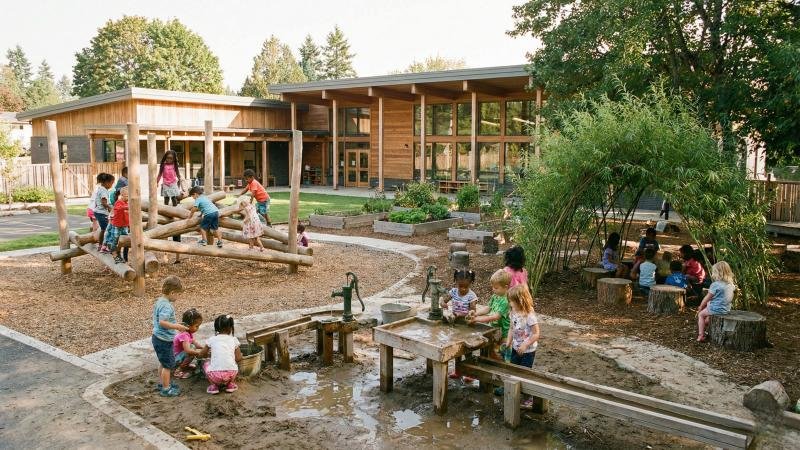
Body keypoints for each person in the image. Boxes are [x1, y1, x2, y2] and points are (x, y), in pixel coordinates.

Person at [151, 276, 188, 397]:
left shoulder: (160, 301)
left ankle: (162, 383)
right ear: (172, 292)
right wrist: (176, 327)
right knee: (168, 366)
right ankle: (166, 389)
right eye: (177, 294)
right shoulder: (167, 306)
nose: (178, 297)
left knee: (163, 362)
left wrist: (176, 324)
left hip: (157, 337)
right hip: (164, 340)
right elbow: (163, 322)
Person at [505, 284, 540, 409]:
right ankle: (516, 393)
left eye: (511, 301)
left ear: (520, 301)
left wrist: (525, 344)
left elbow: (536, 334)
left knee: (525, 373)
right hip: (515, 347)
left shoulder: (529, 315)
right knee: (514, 370)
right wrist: (508, 342)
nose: (510, 303)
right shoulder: (513, 312)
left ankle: (528, 398)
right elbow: (511, 328)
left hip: (528, 350)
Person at [441, 269, 477, 380]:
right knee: (457, 350)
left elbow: (472, 311)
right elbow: (444, 299)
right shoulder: (453, 292)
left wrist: (460, 314)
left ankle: (470, 373)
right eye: (460, 286)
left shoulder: (472, 296)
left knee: (467, 350)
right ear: (456, 282)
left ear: (471, 284)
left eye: (465, 287)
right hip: (455, 324)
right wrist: (442, 303)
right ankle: (458, 371)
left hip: (467, 325)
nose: (463, 289)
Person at [467, 269, 511, 355]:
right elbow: (487, 308)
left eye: (496, 288)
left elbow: (495, 316)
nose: (493, 289)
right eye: (492, 287)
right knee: (491, 350)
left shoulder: (506, 301)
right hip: (493, 328)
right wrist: (475, 313)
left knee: (503, 351)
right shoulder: (495, 296)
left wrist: (477, 319)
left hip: (504, 331)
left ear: (506, 287)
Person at [697, 261, 736, 342]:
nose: (712, 274)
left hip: (715, 309)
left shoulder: (715, 285)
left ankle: (701, 335)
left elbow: (707, 298)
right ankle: (708, 327)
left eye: (714, 272)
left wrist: (701, 306)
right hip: (725, 309)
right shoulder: (731, 285)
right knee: (708, 318)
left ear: (718, 273)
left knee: (701, 315)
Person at [204, 314, 242, 394]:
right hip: (231, 374)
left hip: (215, 376)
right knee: (234, 363)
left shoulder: (212, 339)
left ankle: (214, 387)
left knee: (206, 363)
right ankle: (230, 385)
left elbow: (202, 354)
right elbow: (238, 358)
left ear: (216, 328)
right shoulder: (234, 340)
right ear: (231, 328)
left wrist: (209, 355)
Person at [158, 151, 185, 263]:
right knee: (166, 198)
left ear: (174, 159)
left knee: (174, 198)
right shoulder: (163, 165)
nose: (169, 160)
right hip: (165, 183)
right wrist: (155, 182)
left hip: (173, 183)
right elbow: (159, 174)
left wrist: (182, 186)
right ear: (165, 158)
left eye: (171, 159)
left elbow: (179, 175)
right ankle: (165, 209)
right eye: (168, 158)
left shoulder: (175, 166)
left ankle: (174, 208)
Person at [100, 186, 130, 264]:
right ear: (122, 195)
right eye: (127, 196)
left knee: (125, 241)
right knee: (115, 240)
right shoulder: (118, 202)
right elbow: (119, 208)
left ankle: (123, 256)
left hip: (125, 225)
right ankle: (114, 254)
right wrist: (127, 207)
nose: (128, 198)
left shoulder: (127, 203)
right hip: (117, 225)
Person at [173, 308, 204, 379]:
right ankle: (178, 370)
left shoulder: (188, 332)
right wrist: (198, 353)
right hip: (175, 359)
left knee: (193, 346)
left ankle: (185, 365)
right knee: (191, 351)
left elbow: (194, 342)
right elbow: (187, 350)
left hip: (178, 356)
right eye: (196, 326)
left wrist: (203, 348)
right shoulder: (184, 335)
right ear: (189, 326)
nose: (198, 328)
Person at [92, 173, 115, 249]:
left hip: (99, 212)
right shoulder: (103, 191)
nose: (112, 185)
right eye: (111, 183)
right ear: (106, 182)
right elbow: (103, 202)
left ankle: (101, 245)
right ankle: (104, 246)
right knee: (106, 229)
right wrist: (110, 208)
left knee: (104, 229)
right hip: (101, 213)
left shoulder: (101, 189)